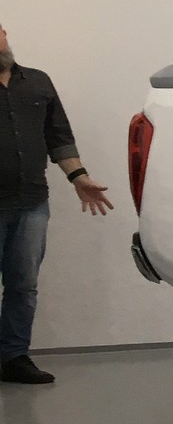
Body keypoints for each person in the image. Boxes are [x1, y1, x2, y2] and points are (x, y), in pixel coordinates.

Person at [0, 21, 113, 385]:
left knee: (24, 284)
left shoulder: (37, 81)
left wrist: (79, 177)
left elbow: (58, 137)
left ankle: (13, 357)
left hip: (31, 203)